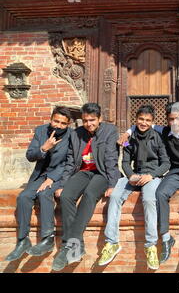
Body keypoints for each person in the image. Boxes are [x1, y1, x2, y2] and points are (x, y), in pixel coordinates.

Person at [118, 102, 179, 267]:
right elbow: (142, 125)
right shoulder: (164, 131)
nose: (173, 123)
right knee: (160, 194)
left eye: (177, 119)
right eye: (170, 119)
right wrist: (126, 133)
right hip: (176, 172)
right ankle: (165, 238)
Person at [98, 105, 170, 269]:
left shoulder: (158, 137)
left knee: (149, 199)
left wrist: (151, 176)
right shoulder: (130, 138)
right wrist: (130, 176)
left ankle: (151, 245)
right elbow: (125, 162)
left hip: (152, 176)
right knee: (115, 196)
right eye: (141, 119)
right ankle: (112, 243)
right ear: (136, 120)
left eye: (147, 120)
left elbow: (166, 163)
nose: (143, 123)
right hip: (135, 174)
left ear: (152, 122)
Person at [51, 103, 120, 271]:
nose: (89, 124)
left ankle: (69, 244)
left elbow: (111, 157)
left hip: (102, 173)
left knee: (89, 194)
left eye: (92, 120)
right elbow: (69, 161)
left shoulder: (110, 131)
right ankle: (77, 245)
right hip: (83, 171)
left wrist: (112, 183)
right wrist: (62, 184)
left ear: (100, 119)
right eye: (85, 120)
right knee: (66, 196)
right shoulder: (76, 134)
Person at [5, 107, 72, 261]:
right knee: (23, 197)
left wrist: (53, 178)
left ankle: (48, 238)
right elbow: (30, 155)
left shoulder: (71, 135)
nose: (59, 125)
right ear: (51, 119)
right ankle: (23, 240)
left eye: (63, 123)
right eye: (56, 121)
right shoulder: (41, 131)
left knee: (44, 194)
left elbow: (70, 161)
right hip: (40, 175)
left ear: (67, 125)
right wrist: (44, 148)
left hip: (60, 176)